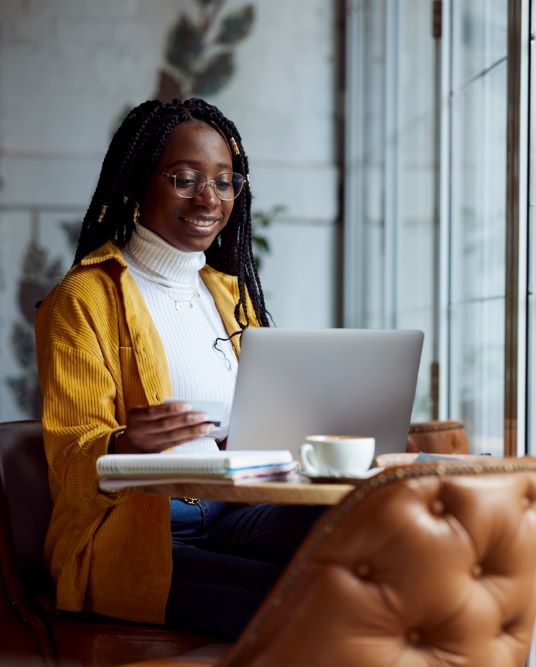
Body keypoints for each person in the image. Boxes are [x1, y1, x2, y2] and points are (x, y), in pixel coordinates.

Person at [35, 98, 323, 641]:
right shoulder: (85, 297)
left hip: (235, 509)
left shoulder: (231, 295)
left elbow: (252, 429)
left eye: (224, 181)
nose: (209, 199)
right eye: (185, 179)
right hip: (142, 530)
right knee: (303, 601)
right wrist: (123, 445)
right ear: (136, 187)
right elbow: (70, 468)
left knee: (367, 535)